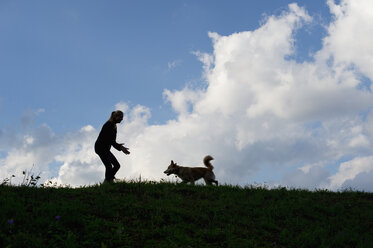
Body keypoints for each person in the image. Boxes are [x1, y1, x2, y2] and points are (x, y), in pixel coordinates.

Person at [95, 110, 130, 182]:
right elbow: (110, 140)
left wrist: (120, 147)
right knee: (108, 166)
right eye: (120, 117)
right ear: (115, 116)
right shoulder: (108, 125)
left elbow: (112, 141)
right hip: (100, 148)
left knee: (117, 165)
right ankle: (108, 181)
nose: (122, 119)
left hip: (105, 149)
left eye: (122, 117)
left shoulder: (114, 126)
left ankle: (109, 179)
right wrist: (120, 147)